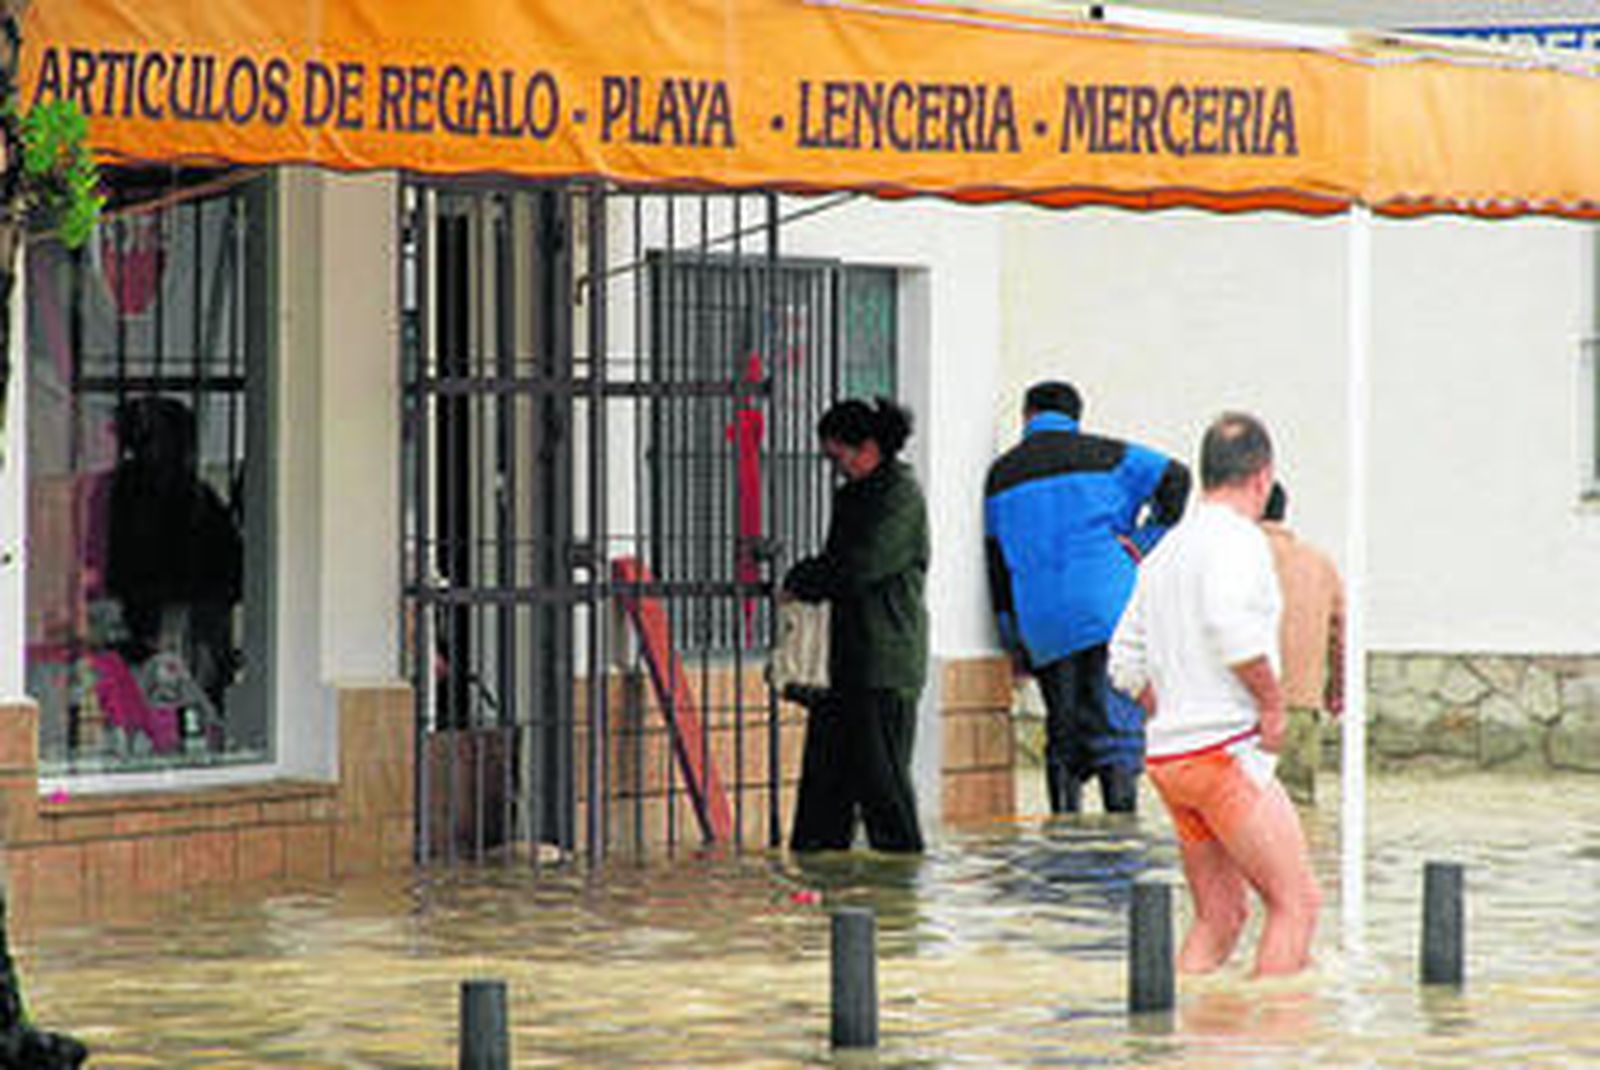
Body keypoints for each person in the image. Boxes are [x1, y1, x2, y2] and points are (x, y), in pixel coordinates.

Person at [1109, 412, 1321, 977]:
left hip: (1171, 758)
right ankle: (1273, 1046)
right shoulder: (1238, 541)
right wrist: (1273, 704)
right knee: (1296, 904)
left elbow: (1122, 662)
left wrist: (1173, 707)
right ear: (1264, 477)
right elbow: (1232, 630)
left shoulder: (1165, 553)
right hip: (1224, 752)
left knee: (1220, 916)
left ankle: (1184, 1042)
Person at [984, 380, 1190, 814]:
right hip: (1106, 610)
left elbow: (996, 563)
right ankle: (1119, 830)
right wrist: (1139, 543)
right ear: (1076, 417)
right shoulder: (1110, 456)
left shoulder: (1000, 475)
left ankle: (1064, 826)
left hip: (1042, 623)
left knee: (1064, 731)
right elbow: (1178, 478)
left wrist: (1010, 635)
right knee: (1114, 728)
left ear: (1027, 417)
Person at [783, 397, 928, 852]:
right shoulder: (858, 497)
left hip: (883, 666)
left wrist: (805, 579)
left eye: (837, 457)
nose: (836, 468)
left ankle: (899, 883)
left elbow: (858, 567)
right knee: (826, 787)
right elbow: (841, 566)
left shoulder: (899, 496)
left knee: (884, 788)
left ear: (868, 448)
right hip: (846, 664)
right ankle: (821, 871)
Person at [1261, 482, 1345, 805]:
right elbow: (1340, 633)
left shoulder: (1228, 557)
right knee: (1297, 812)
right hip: (1300, 705)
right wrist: (1336, 689)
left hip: (1236, 710)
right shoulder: (1318, 562)